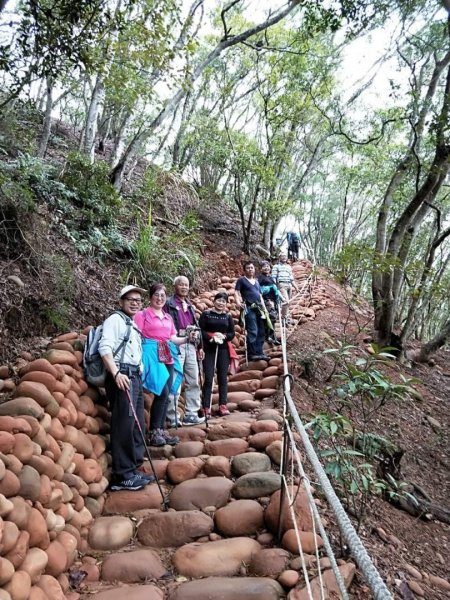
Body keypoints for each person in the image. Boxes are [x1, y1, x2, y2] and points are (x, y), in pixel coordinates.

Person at [99, 285, 154, 491]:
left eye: (138, 300)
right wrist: (115, 374)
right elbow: (105, 348)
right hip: (122, 376)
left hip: (134, 378)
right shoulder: (114, 320)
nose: (134, 303)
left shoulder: (131, 322)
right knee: (124, 424)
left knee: (137, 423)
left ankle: (133, 469)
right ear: (121, 301)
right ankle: (122, 475)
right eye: (130, 299)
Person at [134, 283, 197, 447]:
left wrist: (187, 338)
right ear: (150, 297)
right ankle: (155, 431)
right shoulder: (142, 315)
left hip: (167, 354)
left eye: (163, 295)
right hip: (151, 354)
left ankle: (160, 430)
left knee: (167, 392)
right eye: (156, 295)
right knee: (161, 392)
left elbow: (173, 338)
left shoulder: (167, 317)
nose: (160, 298)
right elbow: (136, 336)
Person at [164, 276, 204, 427]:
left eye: (186, 285)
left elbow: (195, 325)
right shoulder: (169, 303)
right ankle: (172, 416)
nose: (184, 287)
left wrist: (200, 346)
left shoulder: (190, 305)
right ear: (174, 286)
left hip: (191, 344)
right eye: (181, 284)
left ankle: (191, 413)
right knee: (175, 380)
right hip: (176, 343)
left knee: (193, 379)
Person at [199, 291, 237, 418]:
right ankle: (206, 406)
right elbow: (201, 331)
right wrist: (211, 336)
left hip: (223, 350)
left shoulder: (228, 317)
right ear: (214, 301)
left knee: (222, 378)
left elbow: (232, 334)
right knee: (209, 377)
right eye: (219, 300)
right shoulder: (206, 315)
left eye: (224, 301)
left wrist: (224, 336)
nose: (221, 303)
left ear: (226, 304)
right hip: (209, 348)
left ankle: (223, 405)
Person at [234, 261, 269, 361]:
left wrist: (264, 309)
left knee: (261, 330)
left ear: (254, 270)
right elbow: (236, 292)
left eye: (252, 268)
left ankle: (259, 352)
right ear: (245, 270)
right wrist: (238, 302)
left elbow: (260, 296)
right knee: (253, 330)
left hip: (259, 308)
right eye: (248, 268)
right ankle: (252, 353)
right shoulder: (241, 280)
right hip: (249, 307)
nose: (250, 269)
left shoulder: (257, 282)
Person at [257, 261, 282, 346]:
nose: (266, 268)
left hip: (273, 300)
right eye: (264, 267)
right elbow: (258, 289)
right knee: (271, 317)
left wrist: (280, 298)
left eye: (268, 266)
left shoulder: (271, 278)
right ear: (261, 269)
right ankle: (268, 336)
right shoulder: (260, 278)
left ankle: (272, 337)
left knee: (273, 318)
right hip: (265, 300)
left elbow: (276, 289)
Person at [272, 253, 299, 321]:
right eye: (282, 256)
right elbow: (273, 277)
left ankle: (285, 316)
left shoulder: (289, 267)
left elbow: (291, 279)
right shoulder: (276, 266)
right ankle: (283, 317)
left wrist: (296, 287)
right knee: (286, 301)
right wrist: (275, 286)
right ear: (279, 258)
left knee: (289, 302)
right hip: (281, 284)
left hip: (289, 285)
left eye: (285, 256)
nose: (284, 257)